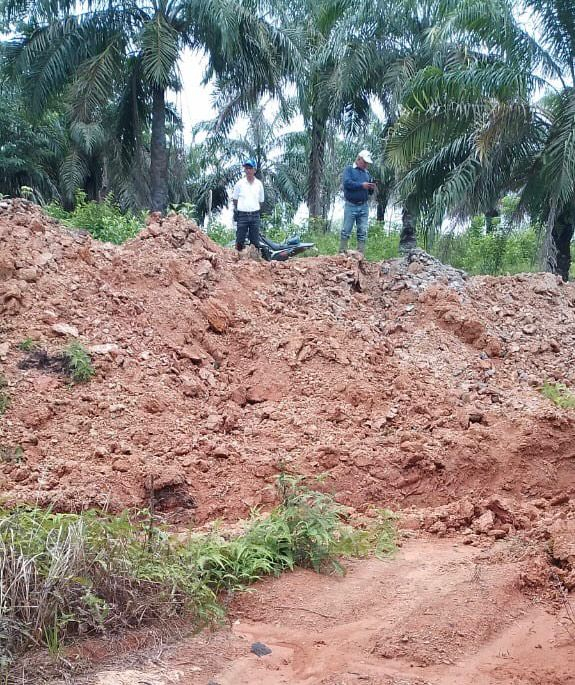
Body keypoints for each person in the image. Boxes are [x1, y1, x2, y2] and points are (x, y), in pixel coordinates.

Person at [340, 149, 376, 255]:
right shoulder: (349, 170)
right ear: (359, 159)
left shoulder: (367, 174)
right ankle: (342, 252)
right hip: (351, 205)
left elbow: (369, 192)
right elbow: (347, 184)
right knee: (346, 231)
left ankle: (360, 254)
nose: (366, 165)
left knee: (362, 231)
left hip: (364, 206)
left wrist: (371, 187)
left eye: (367, 163)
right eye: (364, 162)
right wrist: (361, 185)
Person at [232, 159, 265, 253]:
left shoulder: (259, 184)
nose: (248, 170)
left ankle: (255, 262)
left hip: (255, 215)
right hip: (242, 215)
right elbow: (235, 200)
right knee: (240, 239)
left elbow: (261, 201)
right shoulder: (239, 184)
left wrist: (253, 208)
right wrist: (243, 208)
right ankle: (237, 259)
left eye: (250, 168)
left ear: (254, 170)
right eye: (246, 168)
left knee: (255, 240)